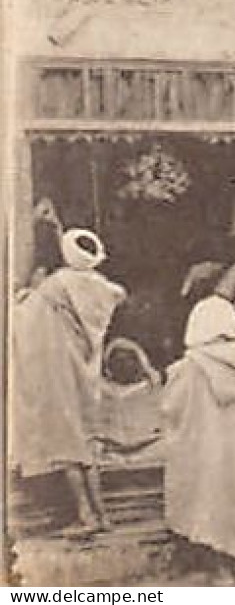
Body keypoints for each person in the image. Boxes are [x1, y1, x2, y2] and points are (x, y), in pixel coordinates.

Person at [10, 226, 127, 536]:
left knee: (68, 443)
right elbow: (115, 297)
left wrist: (23, 297)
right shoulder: (100, 285)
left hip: (59, 366)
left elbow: (25, 316)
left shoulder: (58, 283)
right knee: (86, 444)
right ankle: (103, 515)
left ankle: (86, 515)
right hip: (83, 366)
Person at [162, 293, 235, 585]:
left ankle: (219, 569)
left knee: (208, 502)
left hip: (205, 452)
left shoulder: (189, 367)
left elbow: (170, 408)